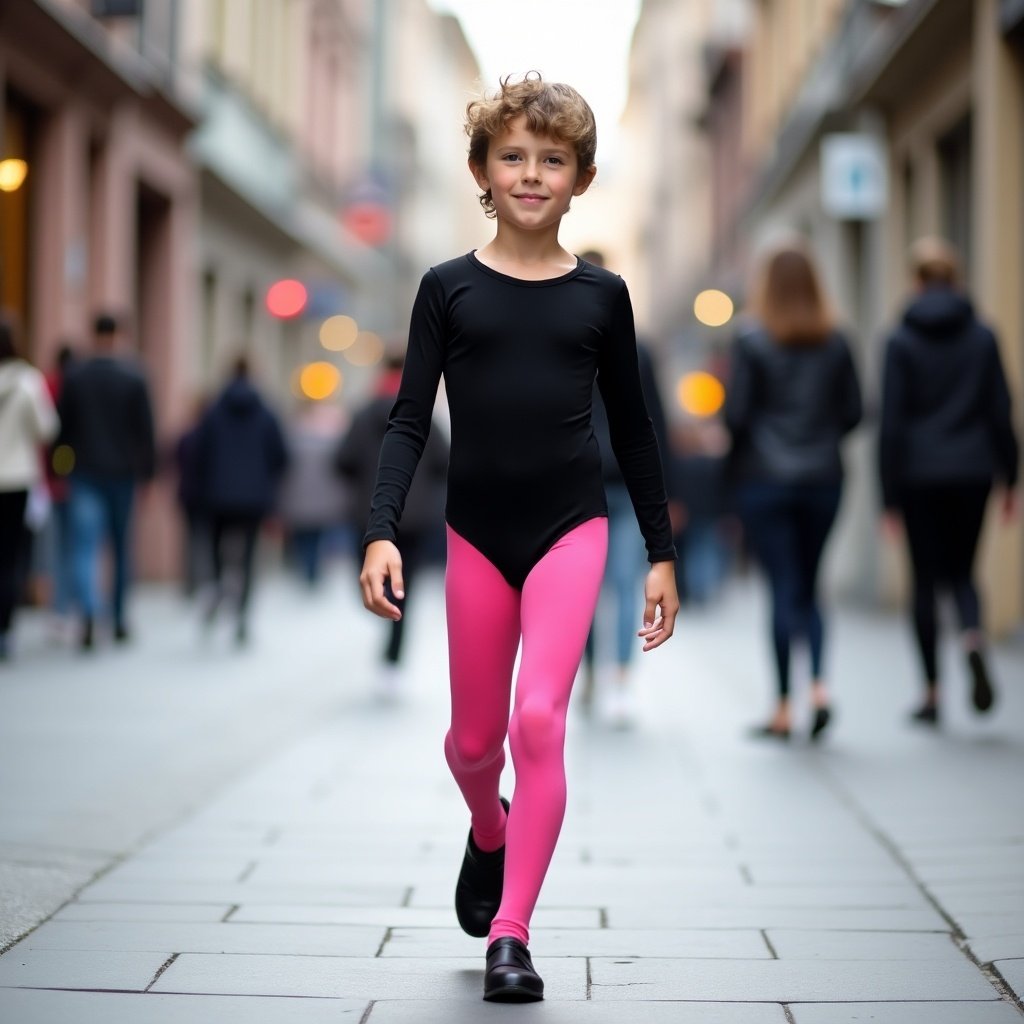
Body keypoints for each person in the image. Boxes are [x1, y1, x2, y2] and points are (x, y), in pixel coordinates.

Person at [357, 74, 679, 1003]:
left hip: (571, 531)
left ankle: (512, 932)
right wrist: (382, 529)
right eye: (513, 158)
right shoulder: (446, 289)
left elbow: (637, 430)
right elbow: (409, 421)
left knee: (539, 721)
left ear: (579, 179)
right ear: (481, 173)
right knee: (470, 744)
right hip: (475, 536)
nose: (531, 174)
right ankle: (487, 828)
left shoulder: (602, 297)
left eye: (553, 160)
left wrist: (658, 551)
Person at [723, 238, 862, 742]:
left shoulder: (751, 340)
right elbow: (855, 412)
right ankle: (820, 688)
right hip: (824, 478)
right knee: (811, 584)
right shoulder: (837, 339)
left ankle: (783, 707)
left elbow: (736, 415)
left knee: (781, 587)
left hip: (765, 480)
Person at [878, 237, 1019, 726]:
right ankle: (974, 636)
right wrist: (1012, 477)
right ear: (955, 279)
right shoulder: (983, 336)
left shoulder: (900, 340)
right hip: (974, 470)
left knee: (924, 581)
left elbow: (890, 424)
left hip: (918, 475)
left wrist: (888, 496)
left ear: (916, 282)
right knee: (963, 572)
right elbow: (1001, 411)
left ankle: (933, 693)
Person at [575, 249, 672, 726]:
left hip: (588, 483)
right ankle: (612, 677)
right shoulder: (637, 346)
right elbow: (655, 423)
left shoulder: (574, 338)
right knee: (615, 583)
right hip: (607, 486)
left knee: (598, 586)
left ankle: (605, 675)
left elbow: (653, 422)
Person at [335, 349, 447, 700]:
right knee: (404, 591)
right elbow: (445, 461)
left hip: (369, 515)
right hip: (414, 518)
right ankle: (393, 661)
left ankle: (377, 614)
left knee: (366, 575)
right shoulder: (426, 413)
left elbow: (343, 460)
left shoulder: (364, 412)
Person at [57, 313, 156, 650]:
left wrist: (61, 465)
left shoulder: (76, 375)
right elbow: (146, 431)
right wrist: (148, 474)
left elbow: (62, 429)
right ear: (119, 336)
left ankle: (87, 611)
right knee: (120, 546)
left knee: (84, 545)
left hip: (84, 471)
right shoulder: (134, 376)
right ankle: (117, 618)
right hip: (122, 473)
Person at [194, 355, 288, 646]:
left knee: (216, 550)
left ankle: (218, 587)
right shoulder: (266, 413)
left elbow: (199, 453)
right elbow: (281, 456)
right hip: (253, 496)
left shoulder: (213, 412)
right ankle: (243, 618)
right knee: (247, 557)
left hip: (217, 495)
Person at [0, 314, 60, 661]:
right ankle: (5, 629)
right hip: (17, 477)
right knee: (10, 555)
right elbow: (47, 429)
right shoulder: (27, 382)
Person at [278, 398, 348, 588]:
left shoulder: (291, 440)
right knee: (316, 538)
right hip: (320, 501)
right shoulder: (329, 442)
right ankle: (312, 571)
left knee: (303, 538)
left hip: (298, 500)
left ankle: (307, 570)